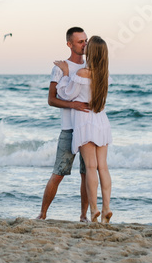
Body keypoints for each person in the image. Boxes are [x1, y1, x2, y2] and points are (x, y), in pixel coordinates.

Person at [54, 35, 112, 223]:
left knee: (90, 167)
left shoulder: (82, 74)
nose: (84, 45)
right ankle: (106, 209)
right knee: (103, 167)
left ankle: (93, 209)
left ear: (92, 52)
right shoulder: (105, 75)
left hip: (86, 122)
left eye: (88, 45)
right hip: (102, 122)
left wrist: (64, 73)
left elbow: (65, 94)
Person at [38, 27, 94, 221]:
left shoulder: (91, 66)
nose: (85, 44)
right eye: (80, 41)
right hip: (69, 130)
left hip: (88, 128)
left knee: (87, 175)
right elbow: (51, 100)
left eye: (86, 40)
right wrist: (73, 105)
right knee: (58, 173)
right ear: (69, 44)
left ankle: (83, 216)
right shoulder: (60, 68)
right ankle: (42, 214)